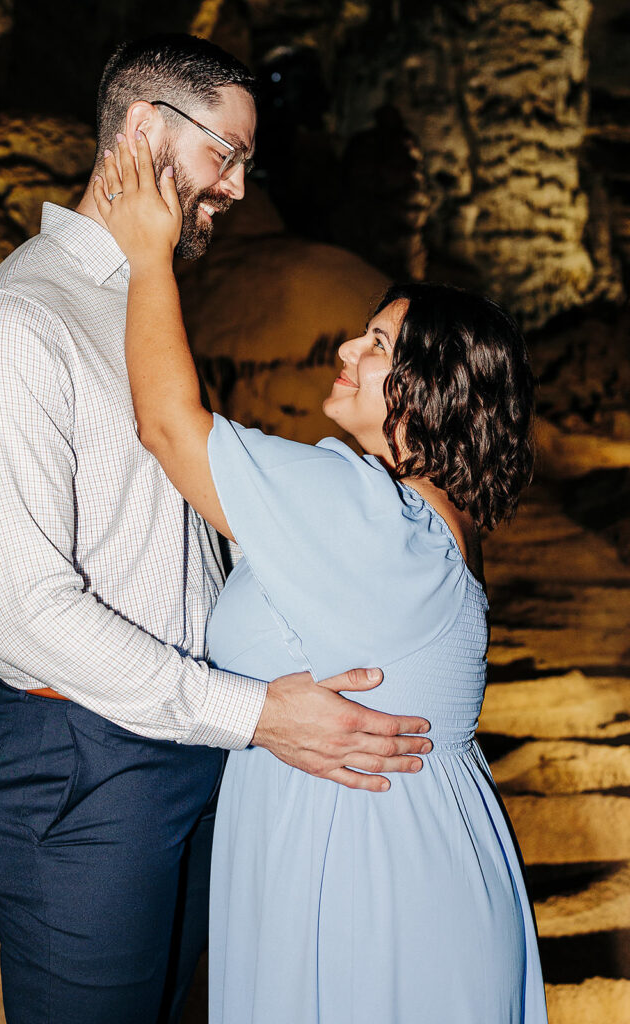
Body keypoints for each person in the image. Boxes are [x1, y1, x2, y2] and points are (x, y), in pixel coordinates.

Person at [0, 34, 432, 1024]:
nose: (239, 187)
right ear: (147, 129)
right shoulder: (17, 323)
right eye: (227, 154)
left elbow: (186, 537)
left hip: (183, 736)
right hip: (84, 758)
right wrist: (256, 714)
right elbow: (29, 612)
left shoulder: (134, 307)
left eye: (246, 163)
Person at [93, 135, 549, 1022]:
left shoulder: (365, 513)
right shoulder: (432, 526)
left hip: (364, 882)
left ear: (431, 389)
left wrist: (149, 255)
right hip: (410, 856)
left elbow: (171, 428)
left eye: (378, 343)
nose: (347, 345)